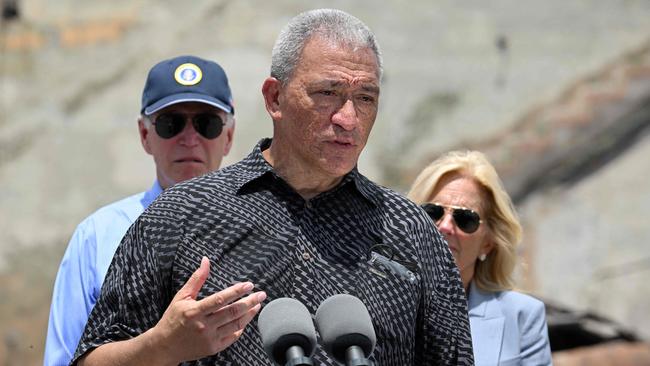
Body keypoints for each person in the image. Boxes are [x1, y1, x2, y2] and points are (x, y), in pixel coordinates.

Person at [72, 9, 474, 366]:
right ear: (275, 97)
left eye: (365, 97)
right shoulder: (179, 216)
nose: (348, 119)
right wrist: (162, 347)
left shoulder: (410, 232)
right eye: (328, 93)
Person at [44, 55, 240, 366]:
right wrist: (164, 345)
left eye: (207, 123)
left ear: (228, 136)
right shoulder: (96, 236)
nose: (189, 139)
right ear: (145, 135)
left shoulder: (260, 230)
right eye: (170, 124)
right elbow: (63, 358)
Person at [407, 150, 553, 366]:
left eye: (465, 218)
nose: (445, 227)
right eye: (433, 212)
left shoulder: (522, 316)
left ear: (488, 242)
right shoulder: (375, 303)